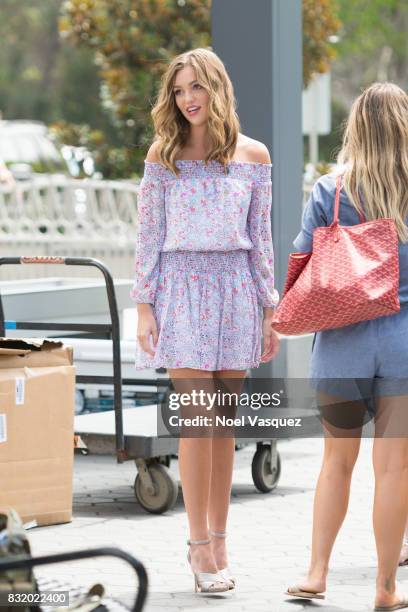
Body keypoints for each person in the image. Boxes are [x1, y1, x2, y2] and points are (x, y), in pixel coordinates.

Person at [130, 48, 280, 594]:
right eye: (178, 90)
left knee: (223, 425)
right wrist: (144, 304)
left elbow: (261, 240)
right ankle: (197, 547)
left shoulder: (254, 157)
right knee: (198, 422)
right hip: (182, 288)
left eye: (196, 87)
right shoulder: (163, 155)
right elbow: (148, 236)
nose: (187, 98)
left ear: (218, 89)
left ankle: (220, 540)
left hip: (237, 290)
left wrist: (270, 309)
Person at [285, 82, 408, 611]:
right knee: (394, 468)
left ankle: (317, 572)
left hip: (340, 347)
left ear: (355, 127)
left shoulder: (331, 190)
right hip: (403, 345)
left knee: (336, 461)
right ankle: (384, 587)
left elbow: (303, 260)